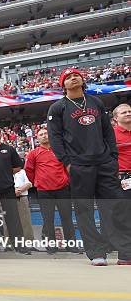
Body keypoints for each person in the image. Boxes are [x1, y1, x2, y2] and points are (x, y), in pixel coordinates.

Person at [47, 68, 131, 265]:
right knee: (84, 209)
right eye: (67, 77)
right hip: (78, 165)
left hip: (104, 163)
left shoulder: (96, 102)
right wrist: (66, 162)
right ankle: (96, 252)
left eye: (76, 75)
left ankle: (125, 252)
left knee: (116, 206)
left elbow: (107, 131)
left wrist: (113, 157)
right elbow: (55, 138)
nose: (73, 78)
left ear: (83, 80)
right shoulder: (58, 108)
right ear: (63, 85)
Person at [24, 128, 78, 254]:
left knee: (67, 218)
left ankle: (71, 245)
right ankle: (51, 247)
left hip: (62, 189)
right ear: (37, 139)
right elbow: (29, 171)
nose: (44, 136)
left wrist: (66, 180)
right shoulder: (33, 153)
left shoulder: (60, 151)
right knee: (48, 219)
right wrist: (39, 182)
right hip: (44, 191)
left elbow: (68, 167)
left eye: (46, 133)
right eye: (41, 134)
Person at [0, 127, 30, 254]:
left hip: (7, 188)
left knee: (13, 218)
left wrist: (5, 173)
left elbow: (18, 167)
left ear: (1, 135)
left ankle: (20, 246)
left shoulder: (9, 149)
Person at [112, 103, 131, 199]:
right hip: (123, 178)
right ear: (115, 118)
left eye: (130, 111)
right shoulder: (110, 134)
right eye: (124, 112)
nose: (128, 114)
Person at [13, 168, 34, 243]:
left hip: (22, 197)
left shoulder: (22, 171)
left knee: (26, 221)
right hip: (9, 198)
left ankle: (29, 242)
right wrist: (13, 191)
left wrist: (20, 190)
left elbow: (29, 183)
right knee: (8, 222)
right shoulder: (4, 171)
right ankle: (9, 244)